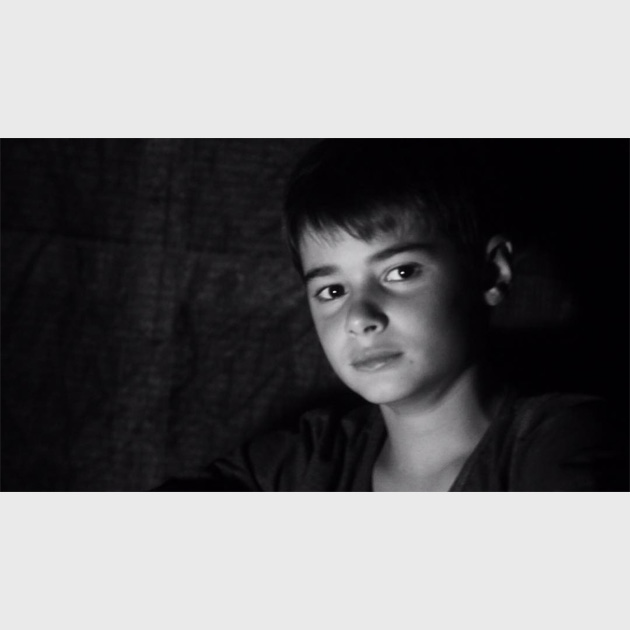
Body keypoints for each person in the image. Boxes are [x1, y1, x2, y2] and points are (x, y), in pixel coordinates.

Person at [158, 140, 621, 491]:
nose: (359, 317)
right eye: (332, 290)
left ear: (491, 273)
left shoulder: (561, 449)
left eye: (400, 272)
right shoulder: (307, 461)